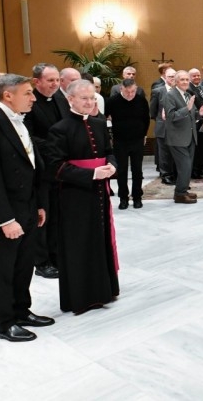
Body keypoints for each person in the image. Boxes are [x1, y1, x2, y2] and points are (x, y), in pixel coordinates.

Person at [0, 74, 54, 342]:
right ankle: (4, 322)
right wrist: (5, 219)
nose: (33, 98)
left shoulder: (21, 122)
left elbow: (32, 164)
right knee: (4, 267)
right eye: (28, 93)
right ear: (8, 95)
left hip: (28, 206)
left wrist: (39, 204)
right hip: (5, 211)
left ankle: (21, 310)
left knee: (24, 264)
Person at [44, 79, 119, 314]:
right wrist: (92, 174)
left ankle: (103, 291)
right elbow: (56, 168)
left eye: (92, 98)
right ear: (70, 100)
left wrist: (112, 166)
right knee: (80, 244)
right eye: (84, 98)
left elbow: (109, 152)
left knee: (100, 240)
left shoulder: (98, 124)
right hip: (74, 196)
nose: (89, 102)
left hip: (98, 193)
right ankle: (82, 297)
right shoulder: (59, 129)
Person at [24, 63, 70, 279]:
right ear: (36, 82)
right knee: (43, 216)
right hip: (41, 168)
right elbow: (28, 136)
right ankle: (41, 261)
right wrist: (54, 147)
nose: (55, 84)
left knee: (59, 215)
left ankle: (56, 254)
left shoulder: (60, 98)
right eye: (50, 80)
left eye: (57, 80)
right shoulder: (28, 102)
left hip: (61, 167)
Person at [106, 78, 150, 209]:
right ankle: (123, 198)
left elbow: (146, 118)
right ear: (121, 89)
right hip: (120, 141)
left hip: (137, 140)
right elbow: (104, 118)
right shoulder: (113, 101)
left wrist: (144, 134)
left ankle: (137, 197)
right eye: (127, 92)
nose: (130, 94)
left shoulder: (141, 100)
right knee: (122, 170)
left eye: (133, 91)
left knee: (137, 170)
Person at [164, 70, 201, 204]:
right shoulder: (170, 95)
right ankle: (180, 193)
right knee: (185, 166)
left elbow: (192, 115)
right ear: (175, 81)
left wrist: (199, 114)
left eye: (187, 80)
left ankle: (182, 191)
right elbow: (171, 116)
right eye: (182, 80)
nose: (185, 82)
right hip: (177, 138)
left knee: (187, 167)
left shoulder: (187, 94)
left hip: (190, 136)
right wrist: (187, 108)